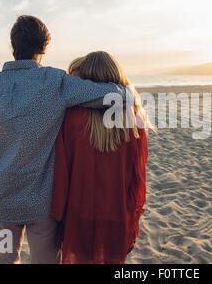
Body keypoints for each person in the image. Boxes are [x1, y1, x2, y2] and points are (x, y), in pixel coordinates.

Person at [0, 16, 126, 264]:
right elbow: (113, 97)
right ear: (43, 48)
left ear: (13, 45)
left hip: (3, 200)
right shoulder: (54, 81)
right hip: (41, 203)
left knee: (3, 260)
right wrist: (124, 90)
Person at [51, 51, 149, 264]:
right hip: (117, 210)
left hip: (79, 212)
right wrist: (134, 213)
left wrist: (57, 217)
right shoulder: (135, 118)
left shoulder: (72, 118)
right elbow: (138, 175)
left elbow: (61, 172)